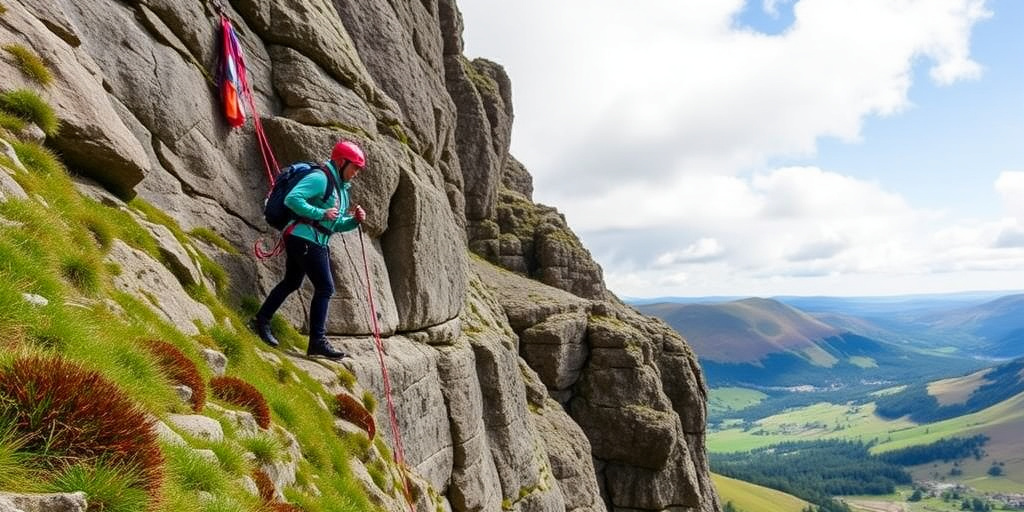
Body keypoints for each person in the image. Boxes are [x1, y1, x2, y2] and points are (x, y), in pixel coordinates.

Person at [249, 140, 367, 359]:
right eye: (355, 167)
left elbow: (336, 223)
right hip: (304, 238)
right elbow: (292, 199)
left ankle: (261, 320)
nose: (356, 173)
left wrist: (354, 221)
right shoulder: (320, 178)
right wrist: (319, 213)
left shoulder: (341, 190)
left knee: (292, 282)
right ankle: (317, 342)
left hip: (313, 240)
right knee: (325, 288)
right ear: (341, 162)